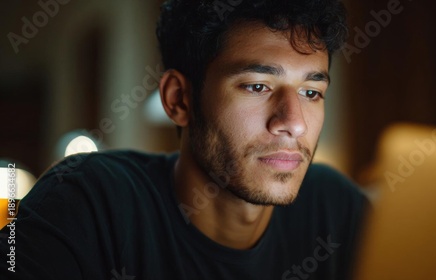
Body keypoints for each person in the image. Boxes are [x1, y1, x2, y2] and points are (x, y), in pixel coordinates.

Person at [0, 0, 368, 279]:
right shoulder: (85, 200)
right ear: (179, 100)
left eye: (311, 92)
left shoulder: (336, 209)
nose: (294, 123)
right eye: (257, 86)